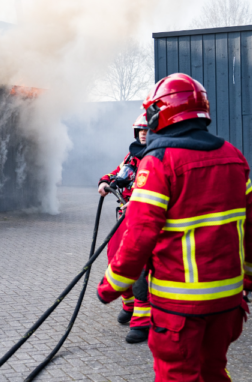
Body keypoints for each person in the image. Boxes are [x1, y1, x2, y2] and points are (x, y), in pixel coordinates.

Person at [97, 73, 252, 381]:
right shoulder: (233, 156)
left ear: (160, 113)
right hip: (228, 304)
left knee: (177, 376)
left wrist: (111, 286)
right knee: (214, 371)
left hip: (180, 309)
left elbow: (140, 234)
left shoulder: (160, 161)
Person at [97, 112, 151, 343]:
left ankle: (143, 318)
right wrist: (105, 181)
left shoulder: (156, 158)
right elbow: (119, 172)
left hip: (144, 219)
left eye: (147, 131)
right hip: (124, 216)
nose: (142, 135)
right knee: (115, 257)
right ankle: (128, 305)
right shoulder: (133, 154)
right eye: (139, 131)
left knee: (140, 267)